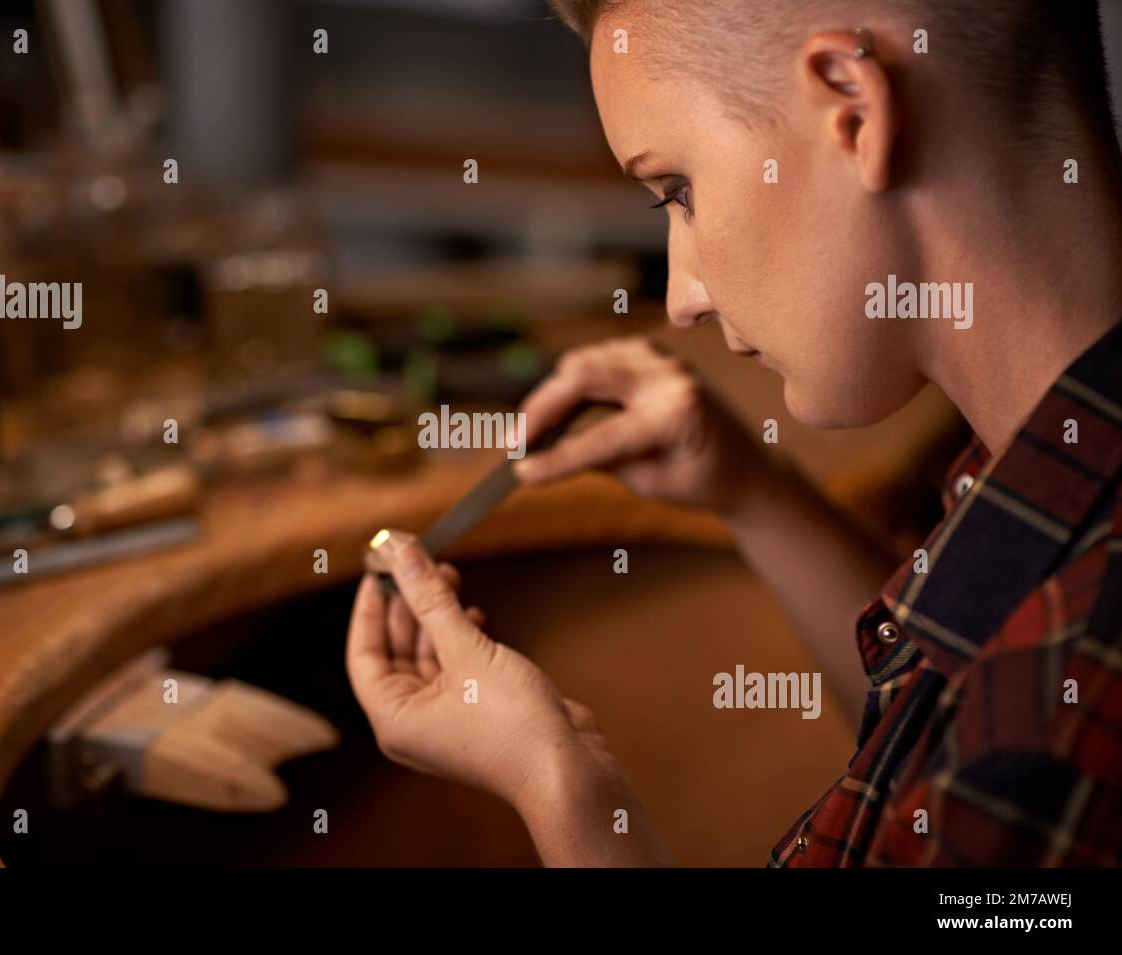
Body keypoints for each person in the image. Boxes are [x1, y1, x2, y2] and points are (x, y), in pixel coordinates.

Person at [345, 0, 1122, 866]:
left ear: (854, 107)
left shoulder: (1067, 703)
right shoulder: (1055, 456)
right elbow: (942, 709)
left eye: (677, 190)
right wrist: (752, 493)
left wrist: (562, 789)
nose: (684, 298)